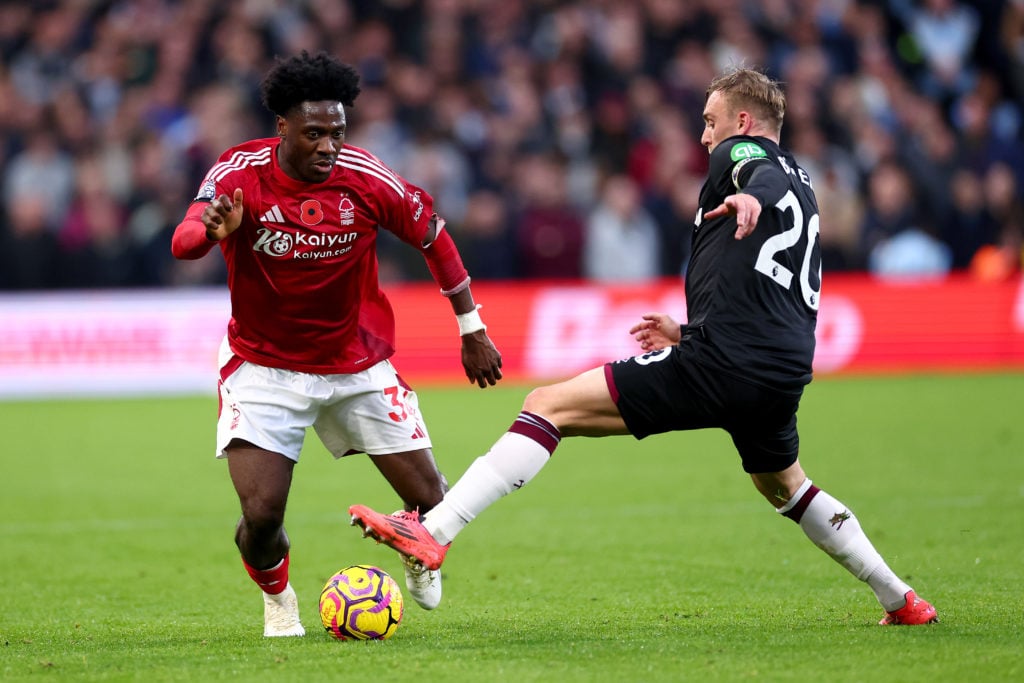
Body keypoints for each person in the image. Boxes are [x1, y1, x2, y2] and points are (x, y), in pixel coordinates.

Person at [349, 67, 938, 626]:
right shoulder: (804, 183)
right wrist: (689, 331)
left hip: (725, 362)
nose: (703, 134)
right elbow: (767, 284)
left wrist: (749, 193)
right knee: (784, 484)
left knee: (546, 406)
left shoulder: (747, 159)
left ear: (742, 122)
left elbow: (754, 169)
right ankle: (901, 597)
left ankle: (435, 530)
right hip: (778, 370)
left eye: (710, 120)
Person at [170, 51, 503, 637]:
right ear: (283, 129)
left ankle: (416, 541)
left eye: (338, 132)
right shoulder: (237, 172)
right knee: (262, 514)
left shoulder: (366, 177)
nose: (329, 145)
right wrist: (209, 232)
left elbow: (435, 236)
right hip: (264, 367)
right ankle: (278, 599)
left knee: (436, 502)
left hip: (358, 364)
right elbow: (184, 239)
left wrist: (471, 327)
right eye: (315, 133)